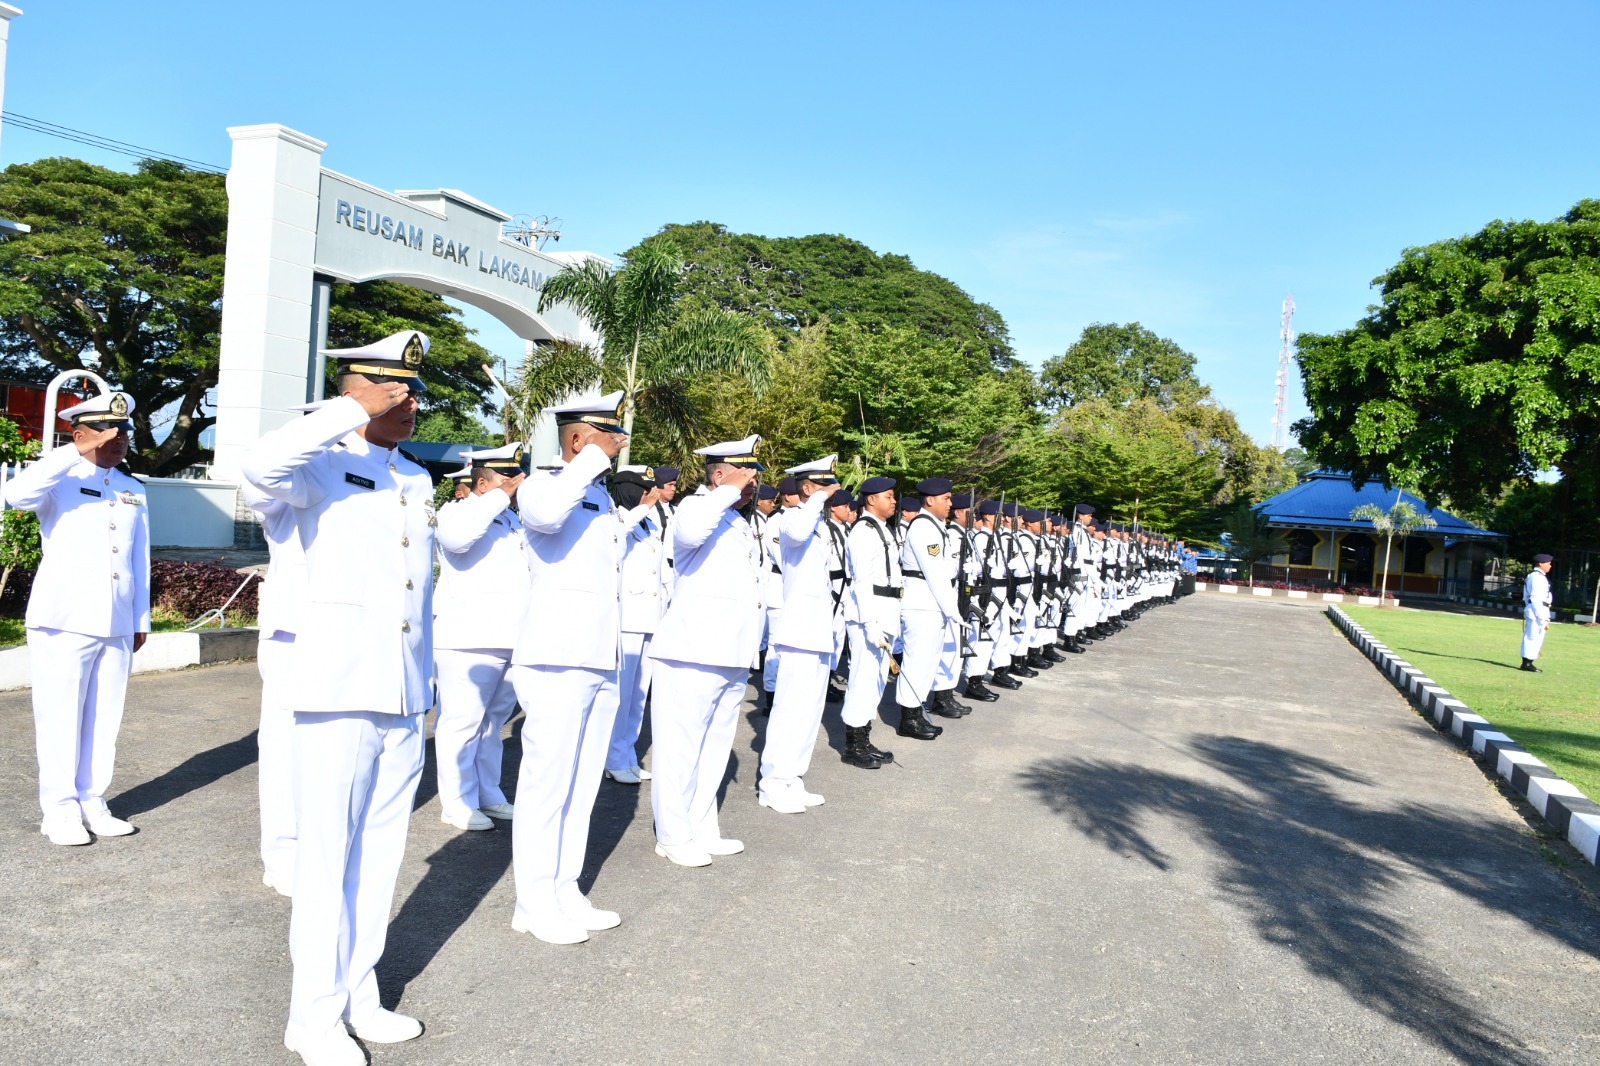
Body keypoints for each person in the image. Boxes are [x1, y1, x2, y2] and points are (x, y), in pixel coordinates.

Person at [241, 330, 437, 1065]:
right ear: (360, 390)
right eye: (395, 388)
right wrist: (345, 407)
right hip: (336, 687)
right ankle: (312, 1019)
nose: (409, 401)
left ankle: (360, 993)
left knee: (378, 857)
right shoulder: (317, 466)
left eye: (412, 390)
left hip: (401, 688)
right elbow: (256, 468)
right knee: (326, 862)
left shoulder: (413, 479)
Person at [509, 390, 632, 945]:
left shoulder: (601, 499)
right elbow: (542, 514)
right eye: (608, 433)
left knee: (580, 786)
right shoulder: (543, 485)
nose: (619, 442)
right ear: (578, 439)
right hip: (556, 657)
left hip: (597, 655)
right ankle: (532, 901)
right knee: (547, 784)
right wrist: (588, 461)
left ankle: (563, 889)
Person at [5, 391, 150, 847]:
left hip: (115, 621)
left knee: (104, 717)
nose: (118, 439)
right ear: (79, 433)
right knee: (60, 716)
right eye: (107, 431)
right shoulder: (56, 480)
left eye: (123, 431)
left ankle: (92, 800)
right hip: (64, 619)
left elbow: (139, 558)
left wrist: (140, 617)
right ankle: (60, 809)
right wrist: (74, 453)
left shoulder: (134, 489)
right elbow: (14, 495)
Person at [647, 436, 766, 866]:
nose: (753, 485)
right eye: (745, 475)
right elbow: (694, 532)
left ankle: (701, 825)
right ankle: (673, 834)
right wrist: (730, 489)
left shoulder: (736, 520)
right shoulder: (695, 508)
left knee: (713, 747)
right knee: (680, 748)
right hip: (692, 650)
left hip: (730, 651)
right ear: (719, 475)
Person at [242, 399, 327, 893]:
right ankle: (282, 851)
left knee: (327, 750)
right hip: (294, 632)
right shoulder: (287, 483)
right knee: (284, 747)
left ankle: (313, 844)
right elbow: (263, 467)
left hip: (345, 632)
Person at [432, 442, 529, 832]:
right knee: (461, 722)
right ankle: (456, 802)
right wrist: (497, 499)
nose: (518, 485)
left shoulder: (510, 521)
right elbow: (456, 541)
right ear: (485, 483)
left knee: (492, 722)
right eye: (508, 478)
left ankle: (488, 792)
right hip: (468, 637)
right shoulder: (457, 512)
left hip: (510, 634)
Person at [758, 455, 841, 812]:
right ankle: (773, 783)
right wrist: (818, 499)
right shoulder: (791, 519)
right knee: (790, 710)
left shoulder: (818, 524)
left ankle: (793, 778)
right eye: (825, 486)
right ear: (807, 489)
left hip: (818, 629)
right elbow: (795, 534)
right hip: (798, 630)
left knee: (809, 712)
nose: (833, 492)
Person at [604, 466, 669, 784]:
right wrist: (644, 506)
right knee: (622, 692)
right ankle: (613, 757)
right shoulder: (615, 516)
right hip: (627, 615)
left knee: (638, 694)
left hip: (648, 615)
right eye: (643, 489)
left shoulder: (646, 520)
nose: (650, 494)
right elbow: (616, 540)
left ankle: (627, 754)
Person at [897, 477, 967, 729]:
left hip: (931, 602)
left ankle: (916, 712)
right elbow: (935, 572)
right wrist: (952, 610)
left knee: (928, 662)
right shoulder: (924, 527)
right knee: (918, 662)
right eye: (946, 498)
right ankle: (909, 718)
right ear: (930, 500)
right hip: (922, 603)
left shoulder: (935, 526)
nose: (950, 503)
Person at [1521, 554, 1555, 672]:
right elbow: (1535, 597)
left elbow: (1526, 596)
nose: (1550, 566)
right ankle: (1527, 663)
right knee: (1532, 636)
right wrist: (1541, 616)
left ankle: (1529, 661)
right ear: (1541, 563)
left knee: (1537, 636)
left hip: (1539, 608)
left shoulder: (1539, 576)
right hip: (1537, 610)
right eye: (1548, 563)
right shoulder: (1536, 577)